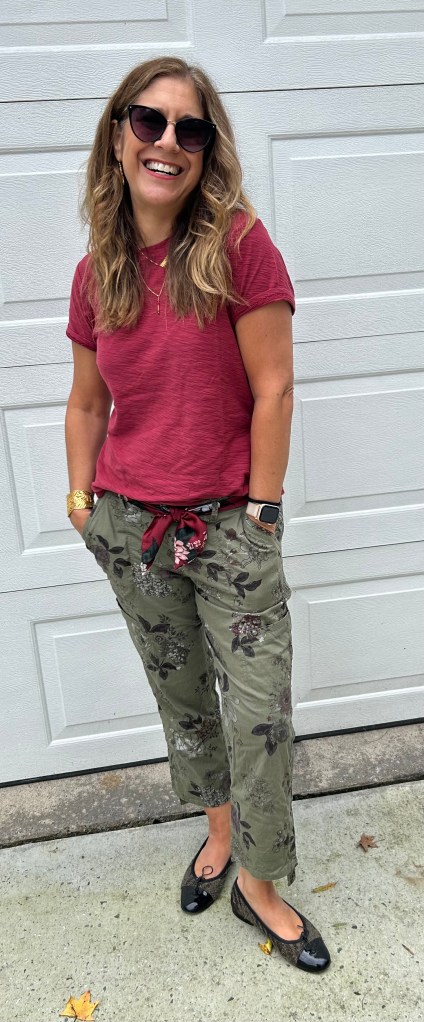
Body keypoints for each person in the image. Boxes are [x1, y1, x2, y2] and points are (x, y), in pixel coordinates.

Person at [65, 55, 330, 973]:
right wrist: (82, 503)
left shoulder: (238, 245)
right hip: (133, 530)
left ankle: (260, 880)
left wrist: (262, 511)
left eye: (191, 129)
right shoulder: (97, 271)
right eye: (149, 121)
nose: (167, 142)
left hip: (228, 528)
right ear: (118, 136)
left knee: (258, 715)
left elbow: (275, 387)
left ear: (207, 150)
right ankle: (217, 831)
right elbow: (87, 402)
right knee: (182, 700)